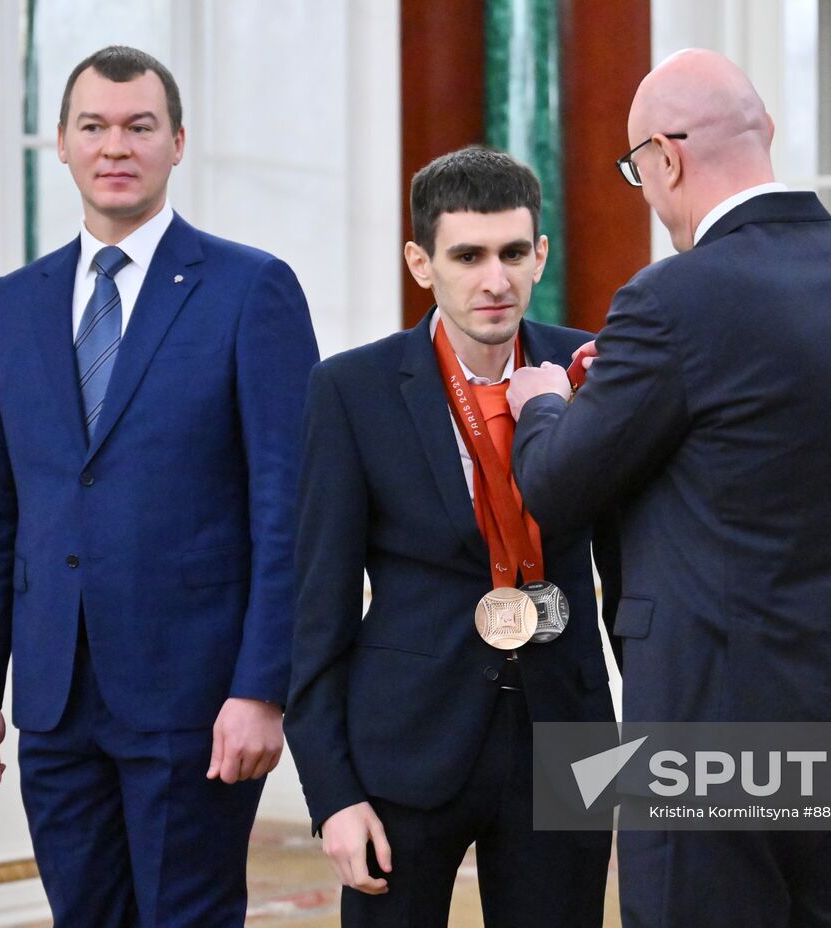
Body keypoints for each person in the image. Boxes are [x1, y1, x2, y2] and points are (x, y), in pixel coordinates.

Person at [507, 49, 831, 927]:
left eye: (637, 171)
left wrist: (545, 401)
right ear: (766, 134)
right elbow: (757, 446)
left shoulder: (673, 300)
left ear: (665, 159)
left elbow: (556, 486)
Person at [0, 45, 319, 926]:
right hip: (55, 696)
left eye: (139, 127)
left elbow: (288, 508)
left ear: (177, 142)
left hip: (194, 696)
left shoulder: (250, 289)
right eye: (95, 127)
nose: (116, 146)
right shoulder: (16, 302)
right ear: (66, 146)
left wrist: (263, 688)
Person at [286, 146, 617, 928]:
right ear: (422, 262)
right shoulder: (351, 389)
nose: (494, 279)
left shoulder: (594, 369)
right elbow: (317, 605)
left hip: (566, 736)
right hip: (404, 739)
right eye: (467, 255)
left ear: (540, 254)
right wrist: (331, 794)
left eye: (511, 253)